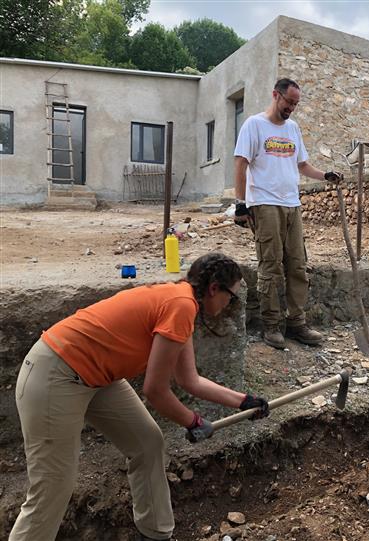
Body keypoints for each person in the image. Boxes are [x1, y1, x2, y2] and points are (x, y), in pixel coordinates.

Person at [10, 253, 270, 541]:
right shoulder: (180, 304)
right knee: (53, 485)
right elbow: (155, 390)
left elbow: (189, 380)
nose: (228, 305)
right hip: (56, 373)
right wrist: (193, 421)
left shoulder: (181, 302)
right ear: (214, 289)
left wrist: (245, 401)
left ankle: (155, 533)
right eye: (231, 298)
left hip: (97, 376)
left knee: (147, 442)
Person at [234, 77, 342, 350]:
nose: (291, 108)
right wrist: (240, 204)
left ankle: (297, 323)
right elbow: (241, 164)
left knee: (297, 264)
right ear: (275, 95)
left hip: (292, 204)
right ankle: (271, 325)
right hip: (264, 203)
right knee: (270, 265)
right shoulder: (254, 125)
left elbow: (302, 165)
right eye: (288, 102)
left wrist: (324, 175)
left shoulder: (293, 128)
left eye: (295, 104)